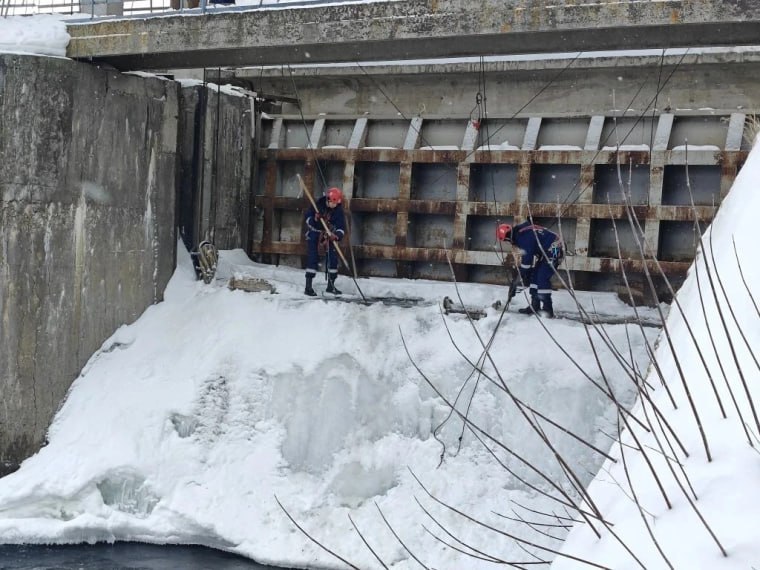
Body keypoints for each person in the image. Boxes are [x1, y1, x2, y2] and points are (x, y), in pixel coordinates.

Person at [496, 220, 564, 317]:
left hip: (555, 248)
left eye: (506, 241)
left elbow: (527, 262)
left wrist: (517, 280)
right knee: (535, 276)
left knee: (542, 277)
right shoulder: (520, 233)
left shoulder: (523, 238)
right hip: (546, 251)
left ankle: (547, 310)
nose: (509, 243)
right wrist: (519, 278)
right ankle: (535, 306)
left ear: (507, 237)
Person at [304, 187, 346, 296]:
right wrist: (315, 219)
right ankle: (308, 287)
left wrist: (336, 236)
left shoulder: (338, 210)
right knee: (312, 258)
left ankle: (331, 286)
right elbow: (307, 219)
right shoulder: (317, 205)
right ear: (328, 199)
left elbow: (341, 227)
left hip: (329, 235)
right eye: (333, 203)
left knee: (333, 259)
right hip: (315, 234)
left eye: (336, 203)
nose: (334, 205)